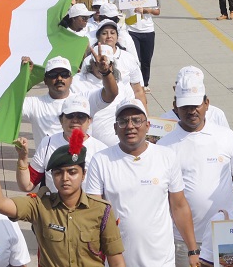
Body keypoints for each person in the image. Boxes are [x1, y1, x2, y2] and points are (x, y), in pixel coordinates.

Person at [0, 131, 126, 266]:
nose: (65, 178)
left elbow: (117, 262)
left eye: (72, 172)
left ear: (83, 174)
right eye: (58, 173)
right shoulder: (40, 205)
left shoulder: (101, 210)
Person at [86, 99, 200, 266]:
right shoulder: (100, 160)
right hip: (119, 260)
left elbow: (179, 206)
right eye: (123, 121)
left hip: (162, 260)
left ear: (147, 125)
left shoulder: (167, 156)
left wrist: (193, 249)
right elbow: (94, 214)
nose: (130, 126)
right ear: (115, 128)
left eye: (136, 120)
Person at [158, 74, 233, 265]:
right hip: (183, 241)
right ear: (175, 106)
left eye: (196, 105)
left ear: (207, 103)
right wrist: (191, 248)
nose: (191, 111)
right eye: (185, 107)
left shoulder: (226, 136)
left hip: (227, 234)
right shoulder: (164, 146)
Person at [21, 54, 118, 151]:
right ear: (45, 80)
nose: (59, 78)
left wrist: (106, 72)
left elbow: (111, 94)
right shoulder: (34, 103)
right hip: (47, 163)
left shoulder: (84, 99)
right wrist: (23, 77)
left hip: (80, 162)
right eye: (53, 75)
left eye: (64, 74)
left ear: (71, 79)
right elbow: (10, 106)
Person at [16, 95, 110, 194]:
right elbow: (27, 185)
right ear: (61, 120)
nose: (75, 120)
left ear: (89, 121)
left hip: (88, 208)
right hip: (53, 207)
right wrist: (22, 159)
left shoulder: (101, 150)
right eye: (70, 116)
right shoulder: (47, 143)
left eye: (81, 116)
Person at [71, 44, 136, 146]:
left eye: (107, 63)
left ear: (112, 65)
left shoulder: (121, 84)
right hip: (85, 143)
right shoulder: (77, 82)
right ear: (92, 64)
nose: (103, 66)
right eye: (98, 63)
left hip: (117, 142)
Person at [159, 66, 230, 128]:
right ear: (175, 88)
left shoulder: (216, 114)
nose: (191, 111)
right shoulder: (164, 120)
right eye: (183, 85)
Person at [95, 19, 147, 105]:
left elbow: (138, 90)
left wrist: (145, 114)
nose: (109, 36)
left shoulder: (128, 58)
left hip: (126, 109)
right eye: (104, 33)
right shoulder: (90, 60)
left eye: (112, 33)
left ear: (117, 37)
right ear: (98, 37)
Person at [125, 0, 160, 91]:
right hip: (132, 30)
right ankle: (136, 83)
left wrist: (146, 10)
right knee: (135, 59)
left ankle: (145, 83)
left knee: (146, 59)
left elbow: (157, 11)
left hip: (148, 31)